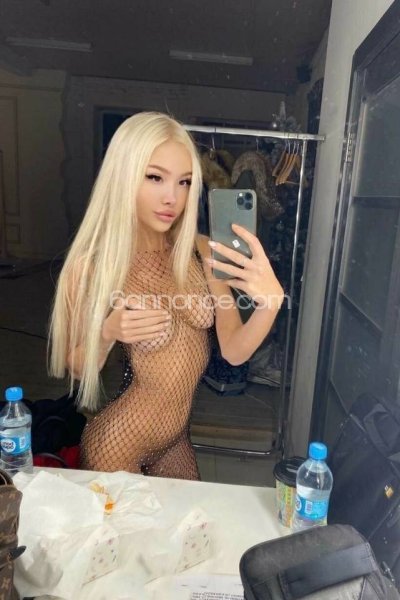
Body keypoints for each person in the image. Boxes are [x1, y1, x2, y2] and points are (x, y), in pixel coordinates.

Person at [49, 112, 284, 480]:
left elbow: (234, 351)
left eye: (185, 181)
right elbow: (77, 368)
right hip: (118, 442)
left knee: (191, 520)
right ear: (123, 176)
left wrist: (270, 304)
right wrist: (108, 331)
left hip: (176, 440)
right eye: (155, 177)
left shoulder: (201, 250)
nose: (172, 197)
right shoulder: (95, 265)